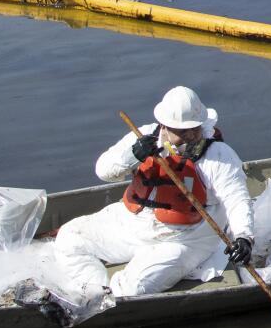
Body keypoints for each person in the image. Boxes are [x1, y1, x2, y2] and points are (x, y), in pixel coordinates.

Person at [46, 86, 256, 309]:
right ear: (165, 126)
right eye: (182, 132)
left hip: (184, 238)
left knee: (133, 289)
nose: (191, 137)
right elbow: (103, 171)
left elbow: (237, 199)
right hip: (133, 224)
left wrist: (244, 237)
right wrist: (132, 156)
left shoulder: (219, 155)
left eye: (194, 129)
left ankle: (113, 299)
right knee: (70, 238)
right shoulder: (144, 136)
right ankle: (95, 295)